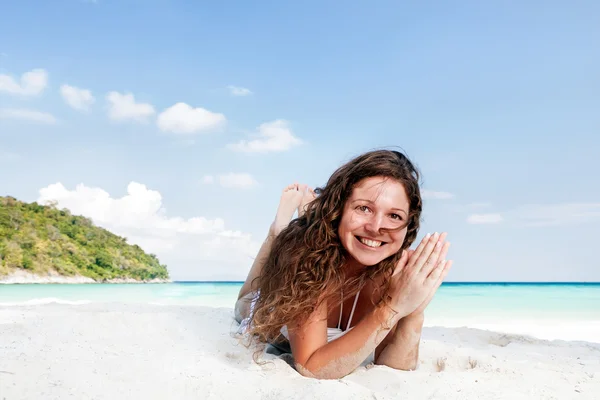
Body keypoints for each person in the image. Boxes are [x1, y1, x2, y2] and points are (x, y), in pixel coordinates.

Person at [234, 149, 452, 379]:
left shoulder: (396, 270)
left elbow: (393, 368)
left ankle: (308, 216)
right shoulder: (309, 257)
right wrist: (391, 308)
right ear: (339, 208)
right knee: (244, 304)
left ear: (408, 225)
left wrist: (413, 310)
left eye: (394, 216)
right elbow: (311, 366)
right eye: (364, 208)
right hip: (272, 301)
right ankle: (278, 232)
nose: (377, 227)